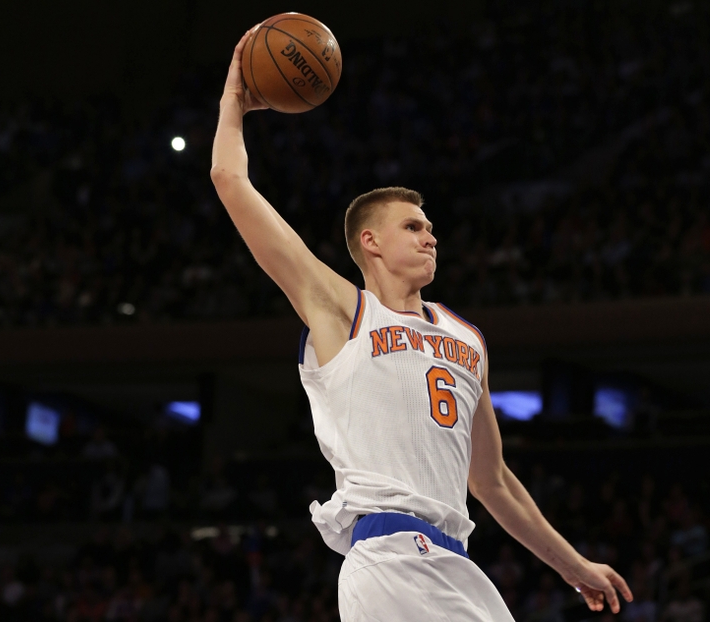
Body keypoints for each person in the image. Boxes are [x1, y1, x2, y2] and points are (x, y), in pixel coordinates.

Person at [211, 26, 633, 621]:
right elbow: (232, 183)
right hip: (387, 559)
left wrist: (574, 566)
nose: (429, 234)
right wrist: (234, 100)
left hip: (456, 564)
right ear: (370, 242)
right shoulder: (343, 310)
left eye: (430, 226)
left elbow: (492, 483)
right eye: (412, 226)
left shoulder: (467, 339)